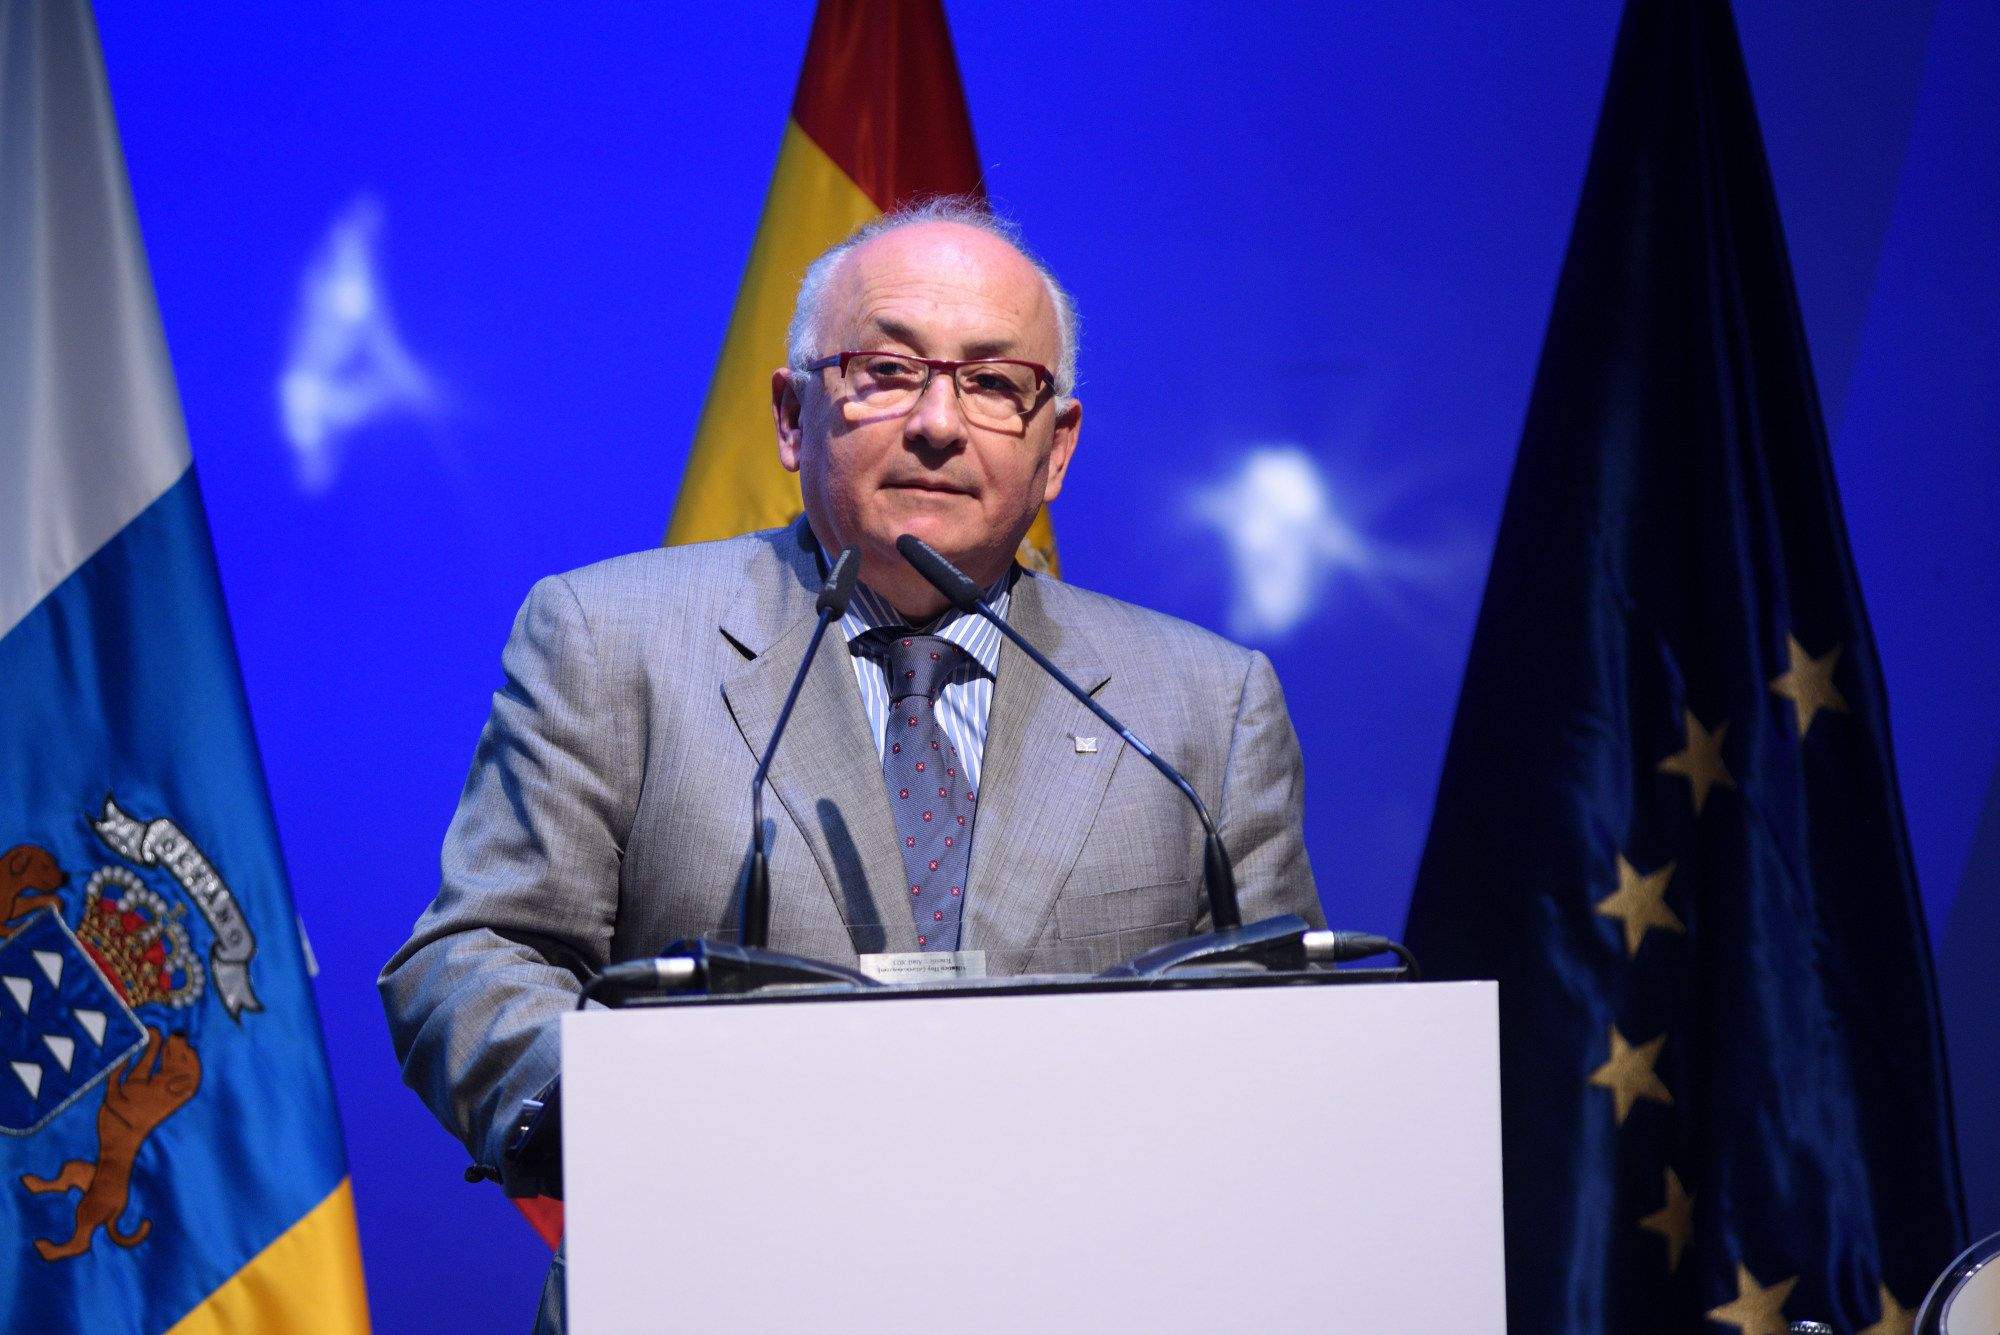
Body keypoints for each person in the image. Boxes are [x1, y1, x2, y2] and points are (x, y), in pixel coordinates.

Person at [380, 200, 1324, 1203]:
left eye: (996, 383)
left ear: (1055, 449)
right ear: (792, 418)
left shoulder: (1204, 706)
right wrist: (624, 1116)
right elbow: (476, 955)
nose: (935, 423)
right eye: (885, 373)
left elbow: (1282, 1023)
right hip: (711, 1253)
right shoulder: (610, 640)